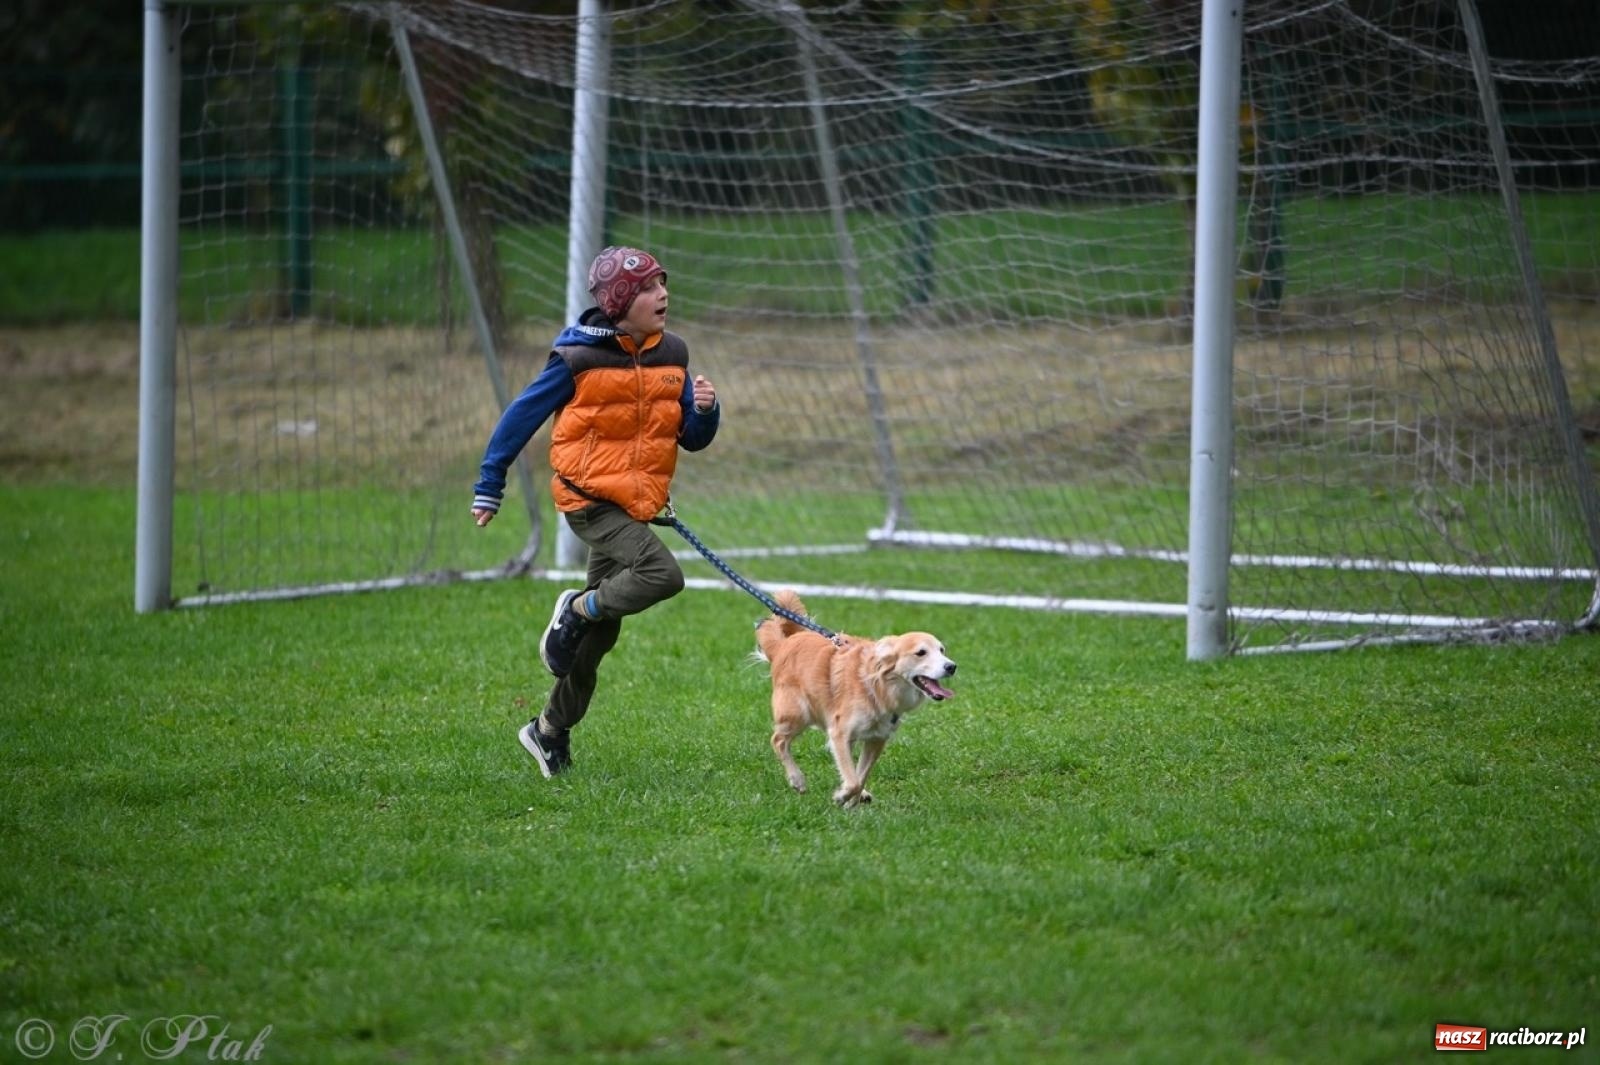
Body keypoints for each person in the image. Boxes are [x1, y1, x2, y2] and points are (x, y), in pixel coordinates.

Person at [471, 246, 720, 777]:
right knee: (661, 575)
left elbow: (691, 438)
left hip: (635, 504)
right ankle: (576, 608)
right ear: (621, 302)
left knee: (599, 637)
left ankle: (547, 731)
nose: (663, 295)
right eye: (650, 288)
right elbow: (521, 416)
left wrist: (705, 410)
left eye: (663, 284)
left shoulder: (671, 352)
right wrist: (490, 483)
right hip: (588, 501)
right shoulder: (577, 358)